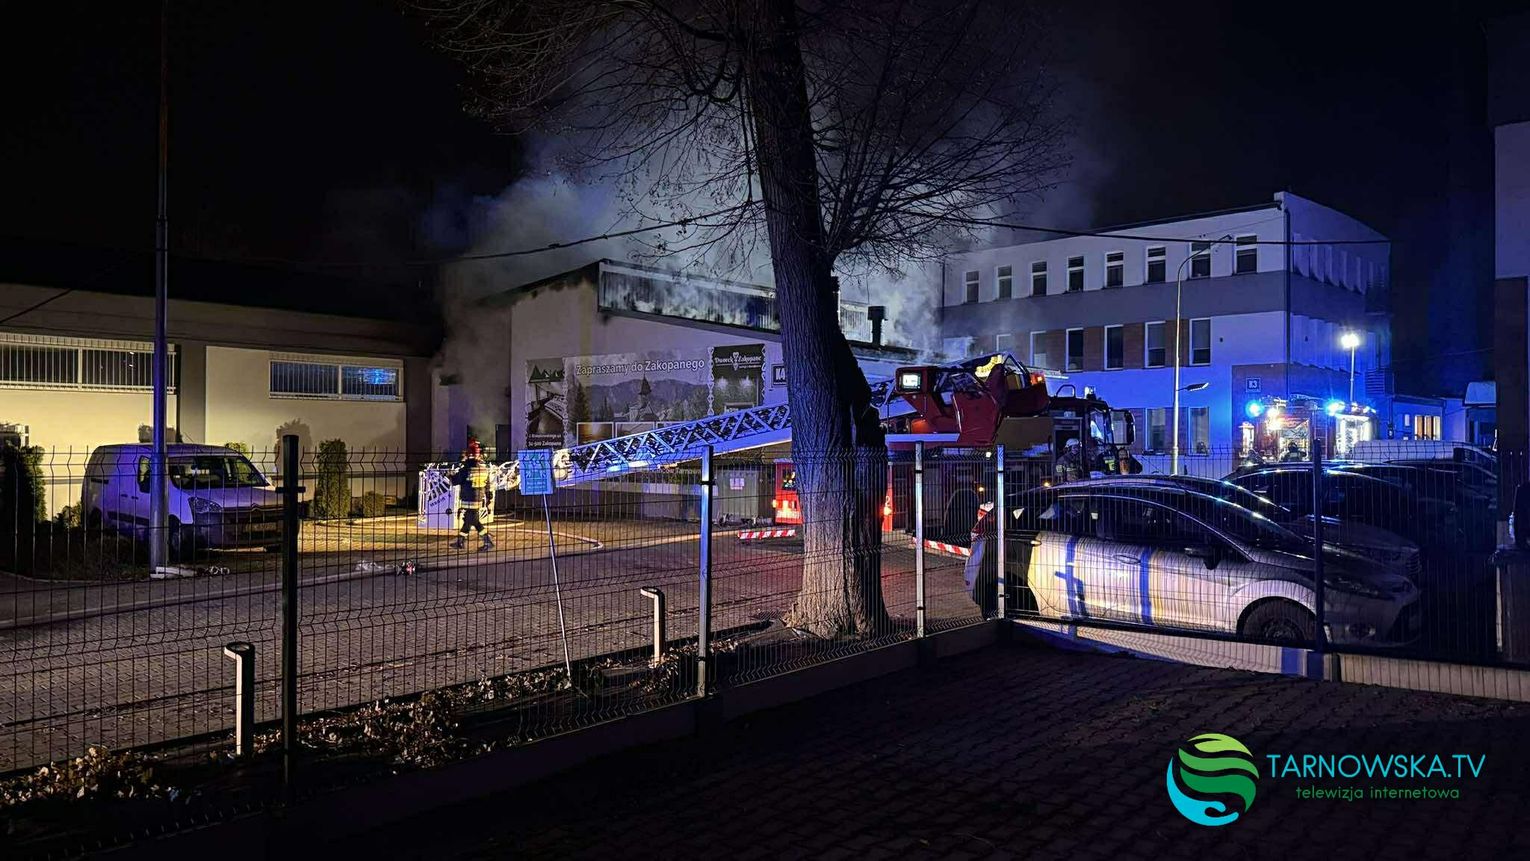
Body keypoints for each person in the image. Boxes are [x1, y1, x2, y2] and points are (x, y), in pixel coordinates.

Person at [449, 439, 494, 551]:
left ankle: (487, 541)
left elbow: (455, 481)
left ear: (468, 455)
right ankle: (460, 542)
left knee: (473, 521)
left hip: (468, 499)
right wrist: (489, 499)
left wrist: (449, 475)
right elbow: (487, 485)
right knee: (469, 520)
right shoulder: (483, 469)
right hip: (478, 499)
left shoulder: (466, 468)